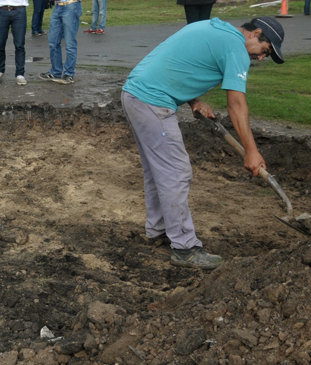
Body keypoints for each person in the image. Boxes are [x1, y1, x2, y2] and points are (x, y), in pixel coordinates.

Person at [121, 16, 286, 270]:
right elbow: (236, 104)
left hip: (135, 93)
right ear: (256, 33)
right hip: (152, 100)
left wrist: (194, 100)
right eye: (265, 51)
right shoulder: (236, 48)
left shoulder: (212, 27)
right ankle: (185, 248)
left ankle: (159, 229)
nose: (261, 58)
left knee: (159, 172)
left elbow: (179, 63)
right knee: (176, 172)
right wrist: (251, 152)